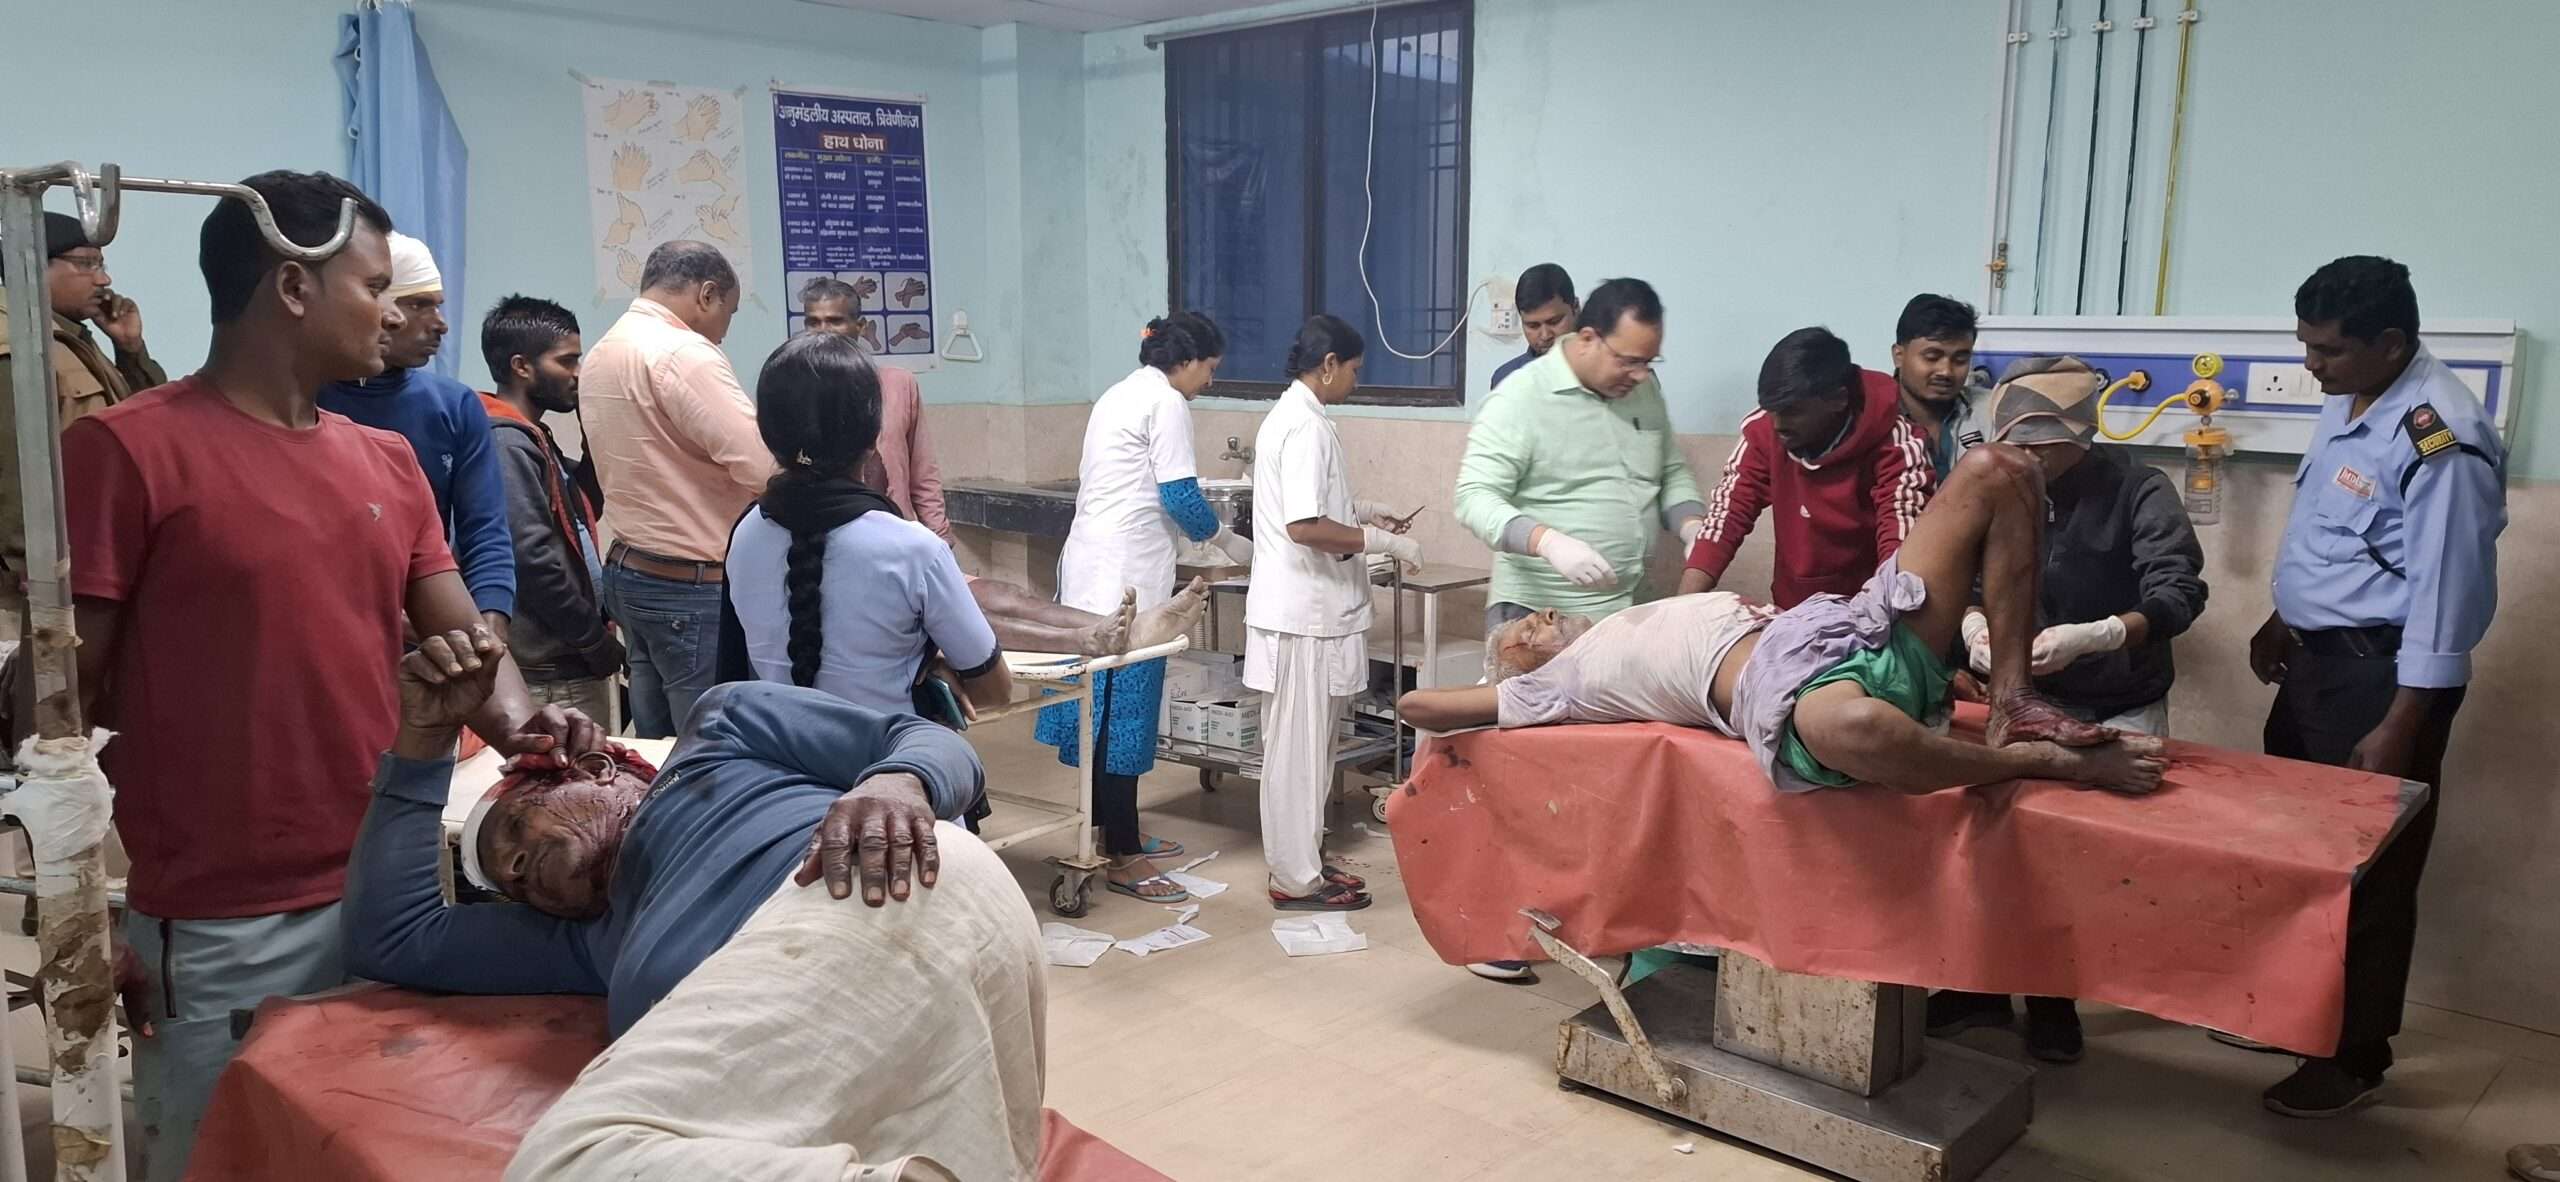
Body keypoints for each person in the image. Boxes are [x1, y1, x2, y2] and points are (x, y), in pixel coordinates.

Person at [61, 171, 592, 1182]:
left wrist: (533, 730)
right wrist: (83, 908)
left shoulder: (385, 462)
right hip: (222, 920)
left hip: (393, 896)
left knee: (372, 1153)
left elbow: (472, 652)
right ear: (294, 287)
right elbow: (62, 710)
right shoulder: (127, 454)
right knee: (227, 1158)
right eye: (374, 286)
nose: (392, 311)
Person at [343, 634, 1042, 1181]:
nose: (522, 876)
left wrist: (900, 782)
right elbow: (392, 937)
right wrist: (424, 739)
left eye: (519, 831)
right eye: (512, 886)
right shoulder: (592, 942)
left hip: (873, 883)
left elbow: (931, 742)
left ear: (594, 769)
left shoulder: (720, 733)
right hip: (914, 991)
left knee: (569, 1162)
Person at [1401, 442, 2168, 799]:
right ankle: (2046, 763)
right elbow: (1417, 705)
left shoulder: (1629, 618)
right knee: (1859, 729)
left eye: (1539, 614)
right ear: (1530, 668)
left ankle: (2012, 702)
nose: (1541, 617)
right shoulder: (1562, 685)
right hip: (1801, 696)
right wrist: (1493, 693)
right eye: (1525, 634)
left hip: (1854, 628)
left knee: (2000, 470)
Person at [2242, 256, 2504, 1119]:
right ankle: (2299, 1014)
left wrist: (2402, 719)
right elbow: (2338, 533)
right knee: (2299, 855)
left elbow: (2448, 593)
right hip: (2319, 664)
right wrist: (2287, 616)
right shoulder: (2355, 397)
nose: (2311, 364)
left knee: (2370, 875)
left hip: (2383, 683)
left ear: (2391, 343)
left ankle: (2354, 1058)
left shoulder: (2441, 439)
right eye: (2305, 344)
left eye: (2328, 350)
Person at [1925, 355, 2209, 1065]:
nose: (2023, 464)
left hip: (2114, 700)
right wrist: (1973, 629)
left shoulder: (2138, 491)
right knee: (1993, 853)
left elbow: (2178, 592)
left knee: (2070, 867)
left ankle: (2056, 1004)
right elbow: (1955, 574)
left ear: (2074, 441)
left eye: (2038, 451)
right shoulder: (1999, 486)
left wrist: (2102, 634)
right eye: (2012, 449)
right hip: (2017, 700)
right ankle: (1982, 989)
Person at [1038, 312, 1246, 902]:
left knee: (1097, 710)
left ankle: (1108, 831)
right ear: (1187, 360)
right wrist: (1226, 541)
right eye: (1210, 368)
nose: (1209, 381)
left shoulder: (1119, 394)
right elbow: (1179, 495)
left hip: (1089, 571)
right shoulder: (1167, 402)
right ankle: (1124, 856)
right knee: (1122, 718)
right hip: (1125, 580)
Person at [721, 332, 1013, 721]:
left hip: (779, 750)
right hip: (890, 754)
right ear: (875, 435)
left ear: (766, 435)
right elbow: (995, 690)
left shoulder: (745, 535)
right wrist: (927, 668)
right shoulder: (915, 549)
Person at [1247, 315, 1424, 912]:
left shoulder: (1297, 417)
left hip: (1306, 614)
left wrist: (1364, 511)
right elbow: (1304, 526)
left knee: (1309, 751)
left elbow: (1311, 504)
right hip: (1303, 616)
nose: (1355, 379)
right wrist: (1383, 542)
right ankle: (1294, 879)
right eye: (1353, 369)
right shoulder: (1305, 426)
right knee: (1296, 755)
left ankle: (1305, 863)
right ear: (1328, 365)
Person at [581, 240, 771, 737]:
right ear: (707, 295)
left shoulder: (604, 350)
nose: (724, 332)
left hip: (631, 572)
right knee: (709, 749)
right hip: (690, 585)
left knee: (657, 747)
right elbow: (761, 467)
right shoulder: (684, 354)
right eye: (729, 313)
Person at [1456, 277, 1705, 625]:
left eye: (1648, 362)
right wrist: (1547, 542)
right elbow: (1474, 497)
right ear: (1588, 338)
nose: (1639, 375)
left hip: (1625, 607)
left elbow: (1670, 470)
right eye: (1628, 361)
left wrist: (1691, 525)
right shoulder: (1521, 397)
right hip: (1540, 616)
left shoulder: (1643, 390)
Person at [318, 232, 515, 633]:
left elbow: (486, 534)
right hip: (334, 627)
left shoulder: (455, 406)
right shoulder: (305, 401)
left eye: (437, 305)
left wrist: (488, 633)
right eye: (418, 305)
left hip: (435, 624)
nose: (440, 324)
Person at [1683, 327, 1933, 608]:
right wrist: (1680, 609)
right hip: (1792, 609)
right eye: (1772, 411)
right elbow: (1727, 516)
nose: (1778, 424)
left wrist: (1877, 617)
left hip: (1869, 605)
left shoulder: (1895, 442)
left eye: (1793, 411)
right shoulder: (1765, 429)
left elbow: (1899, 542)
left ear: (1838, 400)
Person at [0, 211, 165, 623]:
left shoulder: (67, 338)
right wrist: (41, 592)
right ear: (32, 266)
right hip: (35, 599)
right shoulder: (15, 346)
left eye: (101, 264)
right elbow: (15, 484)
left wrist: (130, 351)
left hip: (83, 575)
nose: (104, 280)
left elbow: (151, 432)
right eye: (86, 263)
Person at [478, 295, 622, 722]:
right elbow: (532, 558)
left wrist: (591, 429)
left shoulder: (533, 435)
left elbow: (581, 509)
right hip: (551, 676)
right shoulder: (507, 442)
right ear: (522, 367)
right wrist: (592, 639)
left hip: (563, 664)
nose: (578, 373)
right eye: (567, 361)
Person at [802, 275, 949, 540]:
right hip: (826, 537)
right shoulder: (796, 390)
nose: (823, 332)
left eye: (834, 321)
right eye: (814, 322)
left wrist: (940, 536)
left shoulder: (899, 384)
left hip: (896, 532)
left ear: (859, 326)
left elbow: (922, 472)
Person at [1892, 293, 1987, 483]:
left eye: (1960, 360)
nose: (1946, 371)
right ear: (1899, 356)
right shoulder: (1870, 418)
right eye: (1932, 357)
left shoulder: (1991, 409)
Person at [1489, 263, 1577, 390]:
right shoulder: (1506, 380)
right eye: (1533, 326)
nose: (1545, 335)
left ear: (1575, 308)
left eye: (1554, 322)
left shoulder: (1601, 370)